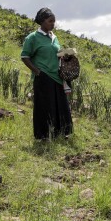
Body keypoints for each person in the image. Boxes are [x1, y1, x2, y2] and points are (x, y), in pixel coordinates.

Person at [21, 8, 72, 140]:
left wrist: (65, 54)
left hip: (57, 76)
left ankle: (60, 133)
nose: (53, 24)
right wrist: (37, 72)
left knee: (60, 105)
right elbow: (25, 57)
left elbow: (56, 53)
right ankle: (43, 135)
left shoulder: (54, 37)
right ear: (42, 21)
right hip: (43, 77)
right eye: (50, 21)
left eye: (54, 21)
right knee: (44, 107)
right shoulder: (32, 38)